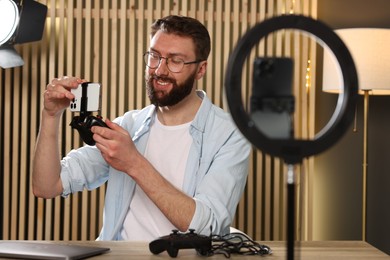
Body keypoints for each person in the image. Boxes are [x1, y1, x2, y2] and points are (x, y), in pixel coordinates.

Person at [32, 15, 251, 241]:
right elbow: (47, 186)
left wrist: (134, 163)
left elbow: (209, 227)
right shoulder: (130, 125)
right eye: (154, 56)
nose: (159, 70)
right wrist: (50, 115)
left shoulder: (230, 135)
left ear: (201, 69)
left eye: (175, 60)